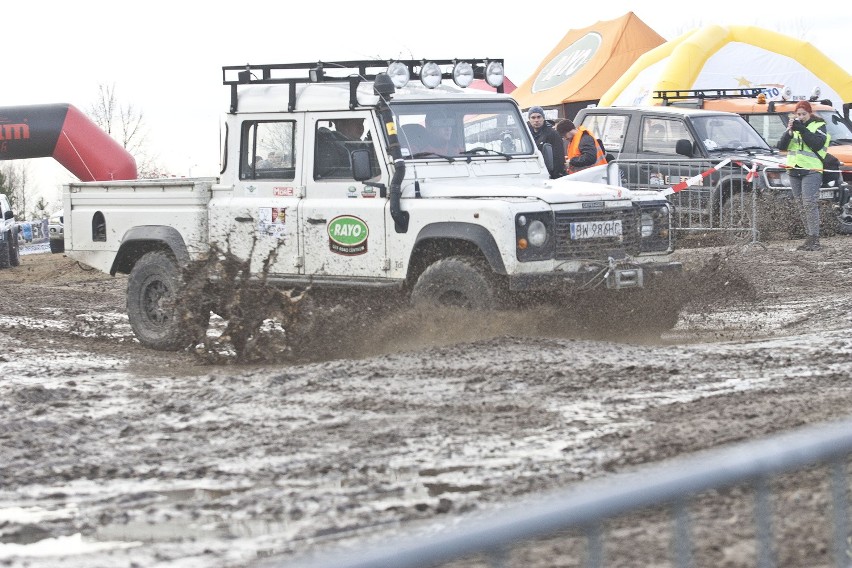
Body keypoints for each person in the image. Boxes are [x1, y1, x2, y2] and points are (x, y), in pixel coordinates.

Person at [777, 100, 830, 251]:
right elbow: (781, 147)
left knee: (809, 203)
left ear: (809, 113)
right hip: (794, 169)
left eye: (803, 114)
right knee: (801, 205)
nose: (800, 117)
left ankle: (815, 238)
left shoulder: (819, 125)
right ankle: (809, 237)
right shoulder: (794, 126)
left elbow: (817, 144)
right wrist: (789, 132)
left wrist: (803, 130)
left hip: (811, 169)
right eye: (798, 114)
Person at [526, 106, 565, 179]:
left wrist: (555, 176)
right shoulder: (526, 134)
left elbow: (559, 158)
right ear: (529, 119)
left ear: (543, 118)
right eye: (533, 117)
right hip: (532, 173)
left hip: (549, 174)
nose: (536, 120)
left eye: (539, 117)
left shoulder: (552, 134)